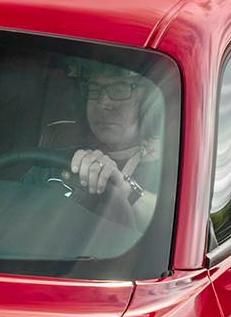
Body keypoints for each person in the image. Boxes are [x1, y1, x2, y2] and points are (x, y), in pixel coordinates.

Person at [65, 64, 161, 227]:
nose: (103, 103)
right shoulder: (56, 163)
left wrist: (124, 190)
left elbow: (176, 228)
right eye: (94, 90)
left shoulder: (174, 169)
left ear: (148, 104)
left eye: (119, 89)